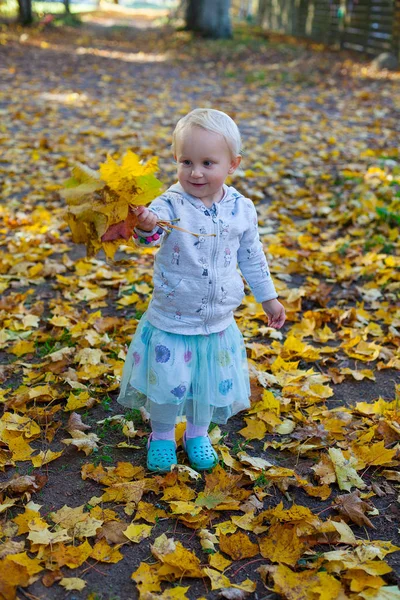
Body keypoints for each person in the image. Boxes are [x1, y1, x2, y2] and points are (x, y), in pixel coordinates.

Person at [102, 108, 286, 473]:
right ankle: (163, 435)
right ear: (176, 160)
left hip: (218, 322)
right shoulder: (168, 204)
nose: (196, 172)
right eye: (186, 161)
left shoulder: (240, 209)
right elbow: (150, 238)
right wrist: (146, 225)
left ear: (232, 164)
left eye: (207, 162)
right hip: (174, 319)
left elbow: (251, 255)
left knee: (207, 385)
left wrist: (268, 296)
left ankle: (198, 433)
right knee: (169, 385)